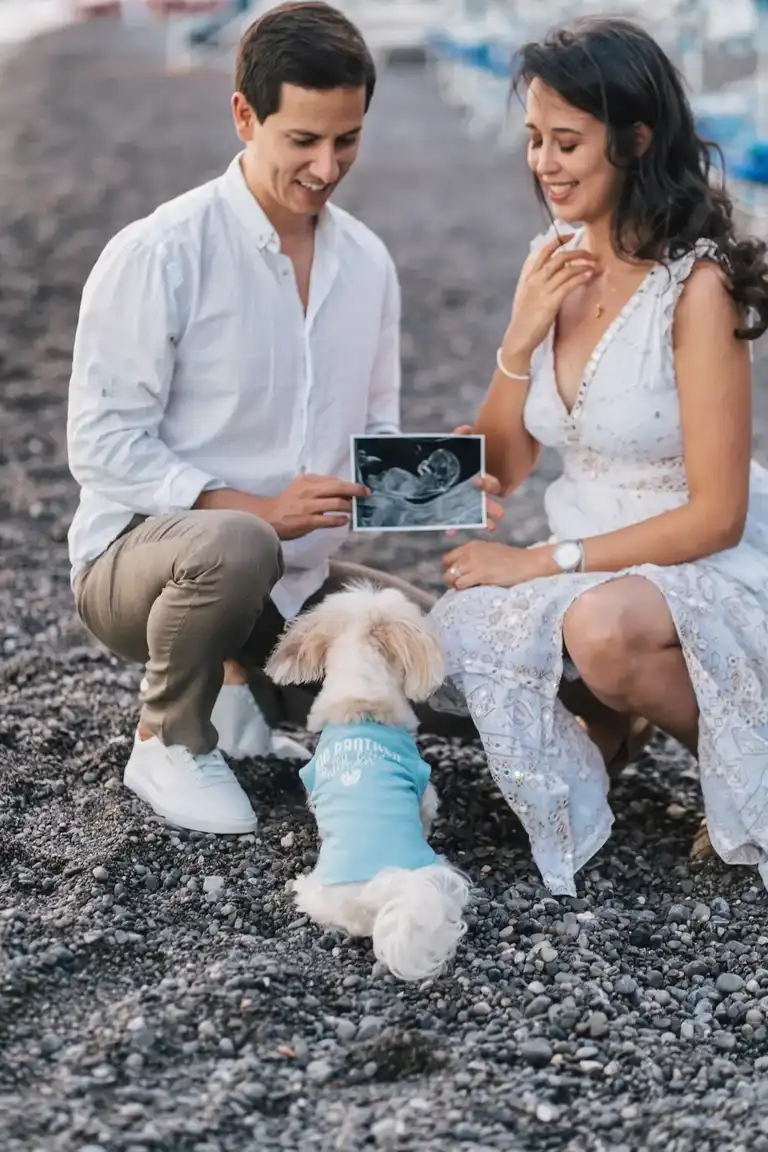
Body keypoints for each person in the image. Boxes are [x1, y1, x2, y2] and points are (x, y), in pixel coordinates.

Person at [66, 1, 487, 837]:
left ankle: (241, 711)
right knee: (241, 543)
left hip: (284, 585)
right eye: (303, 141)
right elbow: (101, 444)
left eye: (348, 140)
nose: (328, 166)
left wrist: (446, 486)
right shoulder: (161, 252)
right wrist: (257, 511)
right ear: (244, 115)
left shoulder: (366, 262)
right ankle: (167, 739)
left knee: (451, 677)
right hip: (144, 573)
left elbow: (365, 442)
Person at [430, 17, 768, 896]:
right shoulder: (553, 261)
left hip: (704, 555)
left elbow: (716, 513)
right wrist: (519, 338)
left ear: (635, 138)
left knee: (599, 632)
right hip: (591, 551)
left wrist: (539, 561)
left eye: (568, 141)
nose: (545, 162)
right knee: (456, 642)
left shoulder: (698, 286)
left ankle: (745, 758)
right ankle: (614, 723)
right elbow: (499, 467)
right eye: (536, 139)